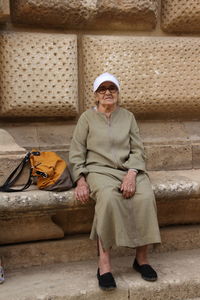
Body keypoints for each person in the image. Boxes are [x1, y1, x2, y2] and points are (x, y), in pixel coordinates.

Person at [69, 72, 161, 290]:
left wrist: (131, 174)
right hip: (98, 170)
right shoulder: (86, 118)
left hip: (128, 170)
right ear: (96, 95)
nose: (108, 93)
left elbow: (138, 149)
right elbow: (76, 152)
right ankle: (104, 265)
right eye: (103, 89)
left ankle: (142, 259)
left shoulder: (128, 117)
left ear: (118, 93)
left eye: (112, 88)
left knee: (146, 197)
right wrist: (80, 180)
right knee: (109, 198)